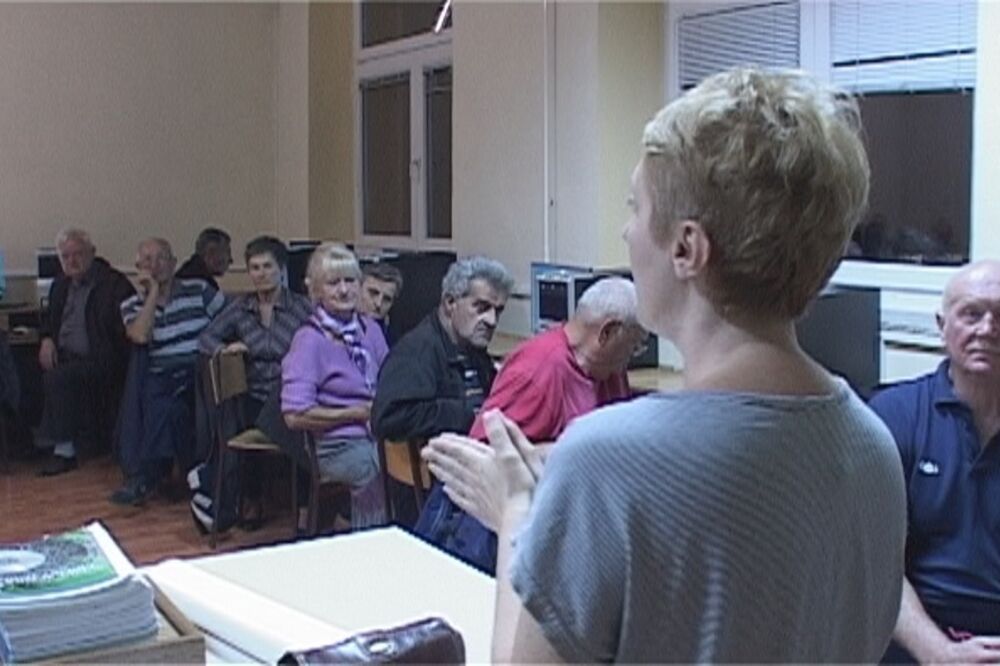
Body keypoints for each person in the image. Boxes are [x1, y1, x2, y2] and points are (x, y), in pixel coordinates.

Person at [424, 67, 907, 662]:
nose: (627, 231)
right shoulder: (874, 450)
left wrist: (519, 515)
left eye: (635, 206)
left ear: (686, 248)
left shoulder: (606, 460)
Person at [416, 276, 643, 573]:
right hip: (512, 536)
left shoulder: (606, 369)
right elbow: (483, 460)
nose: (634, 355)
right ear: (608, 333)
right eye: (635, 345)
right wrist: (580, 448)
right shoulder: (539, 370)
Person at [870, 260, 1000, 663]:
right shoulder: (894, 415)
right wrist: (940, 653)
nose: (988, 329)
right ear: (942, 325)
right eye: (972, 313)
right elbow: (873, 564)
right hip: (917, 638)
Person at [371, 256, 514, 526]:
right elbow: (386, 417)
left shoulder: (471, 348)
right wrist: (465, 413)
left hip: (467, 472)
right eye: (481, 307)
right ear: (450, 303)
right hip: (434, 496)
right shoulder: (417, 351)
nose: (492, 320)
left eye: (498, 310)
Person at [188, 235, 312, 532]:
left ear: (281, 269)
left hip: (292, 392)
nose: (260, 274)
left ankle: (305, 505)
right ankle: (250, 499)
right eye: (254, 268)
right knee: (248, 416)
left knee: (300, 426)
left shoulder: (302, 307)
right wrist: (226, 349)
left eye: (267, 266)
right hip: (254, 394)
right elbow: (206, 338)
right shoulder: (240, 307)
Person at [281, 243, 389, 530]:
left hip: (379, 434)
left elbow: (390, 380)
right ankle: (369, 549)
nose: (343, 290)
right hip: (337, 446)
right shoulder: (309, 340)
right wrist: (355, 413)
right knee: (379, 467)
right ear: (316, 290)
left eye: (350, 281)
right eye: (333, 283)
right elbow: (294, 415)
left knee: (419, 463)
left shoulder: (370, 329)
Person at [111, 237, 225, 505]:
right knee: (165, 405)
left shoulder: (199, 290)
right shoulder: (131, 305)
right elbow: (139, 335)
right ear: (138, 267)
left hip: (198, 370)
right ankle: (176, 474)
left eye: (162, 258)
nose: (155, 265)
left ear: (173, 263)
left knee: (168, 403)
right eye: (147, 260)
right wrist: (152, 294)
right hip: (161, 374)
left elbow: (233, 316)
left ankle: (146, 478)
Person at [36, 228, 135, 476]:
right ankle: (33, 443)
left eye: (78, 254)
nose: (72, 261)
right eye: (66, 256)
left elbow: (125, 330)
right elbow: (49, 318)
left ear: (92, 253)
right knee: (26, 368)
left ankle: (63, 450)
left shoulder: (114, 284)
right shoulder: (60, 284)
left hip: (103, 359)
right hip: (67, 356)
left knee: (58, 378)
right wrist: (47, 338)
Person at [359, 262, 403, 338]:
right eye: (373, 293)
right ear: (358, 289)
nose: (378, 303)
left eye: (386, 299)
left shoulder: (395, 340)